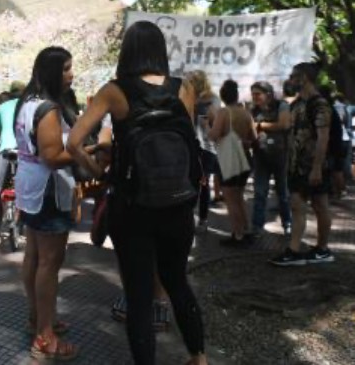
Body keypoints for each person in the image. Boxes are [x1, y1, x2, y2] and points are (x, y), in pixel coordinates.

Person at [67, 21, 207, 365]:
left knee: (139, 294)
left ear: (127, 51)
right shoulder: (184, 88)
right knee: (177, 281)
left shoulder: (114, 90)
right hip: (179, 203)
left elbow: (73, 142)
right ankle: (198, 357)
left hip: (133, 207)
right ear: (159, 50)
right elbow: (181, 140)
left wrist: (98, 169)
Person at [14, 46, 79, 361]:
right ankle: (45, 336)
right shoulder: (49, 108)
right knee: (49, 263)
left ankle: (38, 318)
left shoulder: (26, 103)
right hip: (49, 189)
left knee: (35, 255)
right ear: (52, 71)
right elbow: (53, 157)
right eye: (66, 68)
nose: (71, 74)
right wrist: (91, 151)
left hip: (30, 186)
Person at [270, 63, 334, 266]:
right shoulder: (297, 103)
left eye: (293, 76)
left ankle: (323, 249)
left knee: (320, 205)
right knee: (297, 204)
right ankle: (294, 251)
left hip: (315, 166)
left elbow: (323, 138)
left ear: (303, 78)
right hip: (296, 167)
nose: (289, 79)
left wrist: (316, 168)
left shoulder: (320, 104)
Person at [208, 80, 256, 246]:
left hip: (229, 159)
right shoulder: (246, 113)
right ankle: (246, 230)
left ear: (222, 96)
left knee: (230, 199)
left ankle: (238, 235)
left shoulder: (223, 112)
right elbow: (253, 137)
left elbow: (214, 135)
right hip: (244, 159)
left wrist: (207, 125)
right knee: (239, 197)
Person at [249, 81, 292, 237]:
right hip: (260, 156)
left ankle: (287, 223)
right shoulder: (253, 110)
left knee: (283, 193)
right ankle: (257, 227)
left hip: (281, 155)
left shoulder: (282, 106)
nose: (254, 97)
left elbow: (284, 124)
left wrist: (259, 125)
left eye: (257, 94)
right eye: (253, 94)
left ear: (268, 94)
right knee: (260, 193)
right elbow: (249, 128)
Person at [0, 80, 25, 230]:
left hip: (6, 150)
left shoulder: (0, 108)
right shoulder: (28, 106)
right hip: (24, 151)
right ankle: (25, 222)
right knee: (27, 186)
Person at [186, 70, 222, 228]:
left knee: (203, 182)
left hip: (206, 147)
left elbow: (215, 121)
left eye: (191, 81)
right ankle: (190, 217)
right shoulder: (190, 98)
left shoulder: (212, 99)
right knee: (192, 181)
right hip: (192, 145)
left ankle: (202, 218)